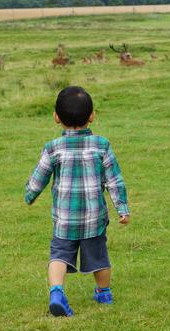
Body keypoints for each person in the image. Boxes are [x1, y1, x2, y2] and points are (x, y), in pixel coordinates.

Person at [25, 86, 130, 317]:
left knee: (59, 255)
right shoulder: (102, 145)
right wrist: (122, 208)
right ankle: (103, 293)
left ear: (56, 117)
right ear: (92, 115)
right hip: (94, 219)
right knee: (99, 256)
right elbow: (115, 180)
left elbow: (39, 177)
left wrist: (30, 195)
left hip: (64, 220)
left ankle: (56, 292)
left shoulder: (53, 148)